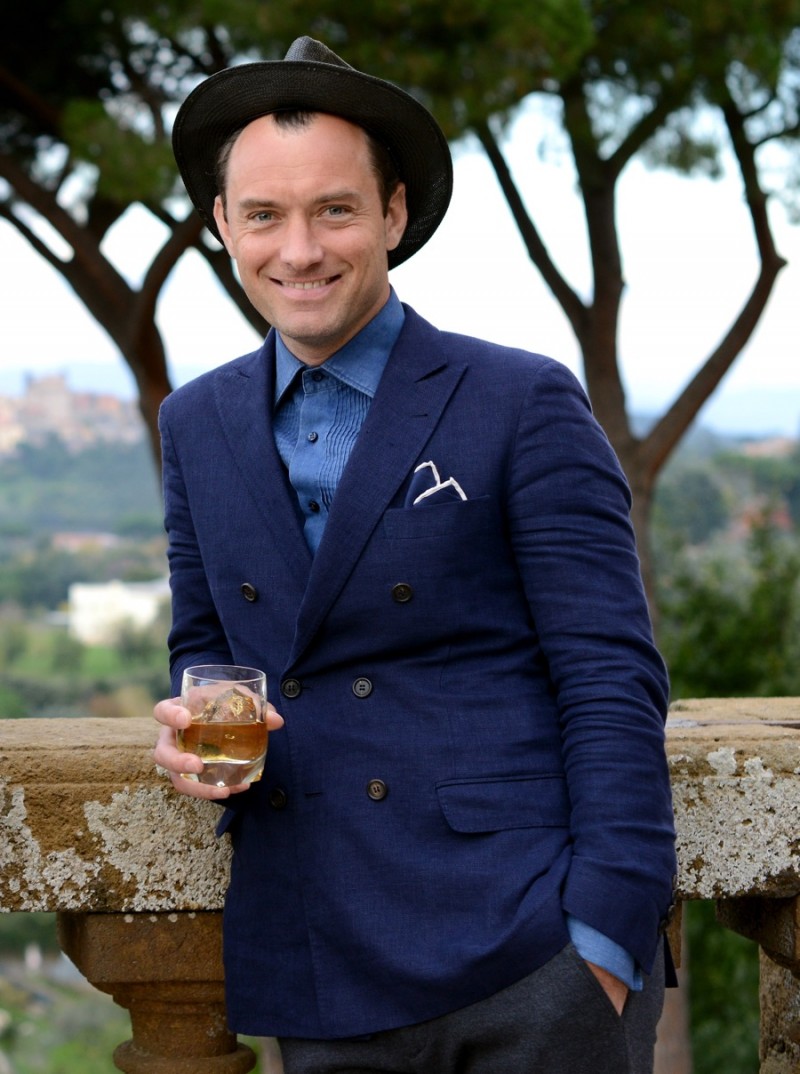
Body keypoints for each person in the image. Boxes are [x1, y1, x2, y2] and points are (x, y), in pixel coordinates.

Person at [153, 35, 677, 1074]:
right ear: (222, 226)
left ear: (391, 214)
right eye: (263, 215)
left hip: (527, 945)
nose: (297, 250)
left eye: (333, 210)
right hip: (319, 944)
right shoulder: (194, 421)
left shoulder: (518, 400)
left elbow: (609, 676)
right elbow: (206, 641)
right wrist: (188, 722)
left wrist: (604, 938)